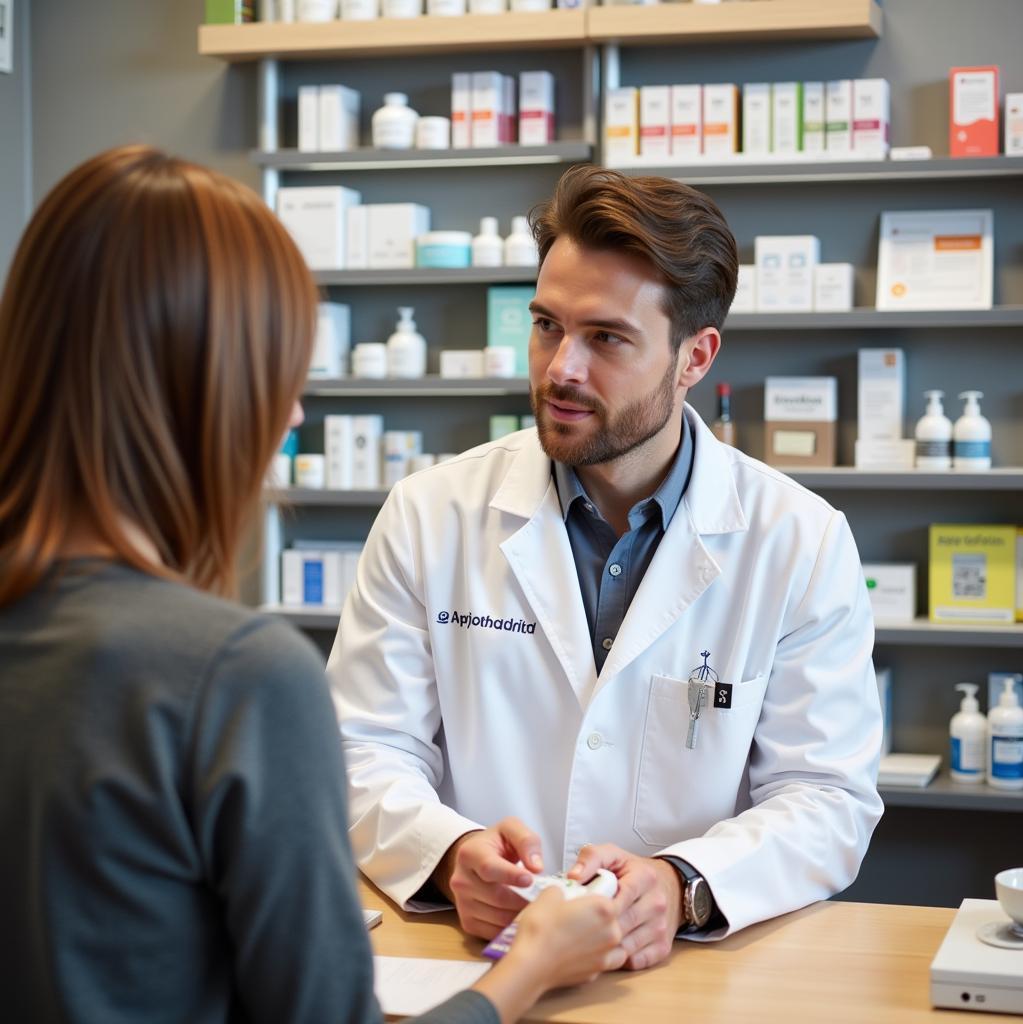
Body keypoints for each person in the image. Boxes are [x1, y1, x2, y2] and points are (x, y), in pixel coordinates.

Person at [0, 146, 626, 1024]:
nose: (292, 415)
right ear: (199, 387)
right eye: (278, 371)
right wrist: (528, 967)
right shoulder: (231, 676)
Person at [330, 165, 884, 970]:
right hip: (476, 965)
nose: (561, 369)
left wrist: (684, 883)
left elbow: (827, 797)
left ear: (695, 357)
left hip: (694, 979)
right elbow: (361, 748)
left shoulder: (799, 540)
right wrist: (449, 857)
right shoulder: (430, 515)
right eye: (548, 325)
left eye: (606, 338)